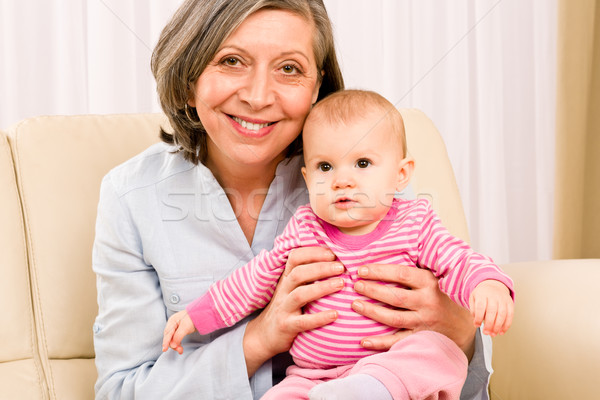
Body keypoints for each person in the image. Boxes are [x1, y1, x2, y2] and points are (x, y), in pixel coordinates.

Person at [92, 1, 498, 399]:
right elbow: (122, 392)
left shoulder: (363, 170)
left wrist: (460, 330)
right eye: (232, 61)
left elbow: (458, 369)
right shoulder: (130, 198)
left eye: (289, 68)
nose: (258, 96)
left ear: (316, 87)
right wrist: (258, 339)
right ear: (188, 75)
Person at [162, 89, 515, 400]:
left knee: (434, 352)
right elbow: (253, 280)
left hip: (391, 364)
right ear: (307, 177)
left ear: (401, 174)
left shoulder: (415, 223)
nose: (342, 181)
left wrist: (488, 286)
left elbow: (459, 261)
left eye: (362, 163)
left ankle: (367, 391)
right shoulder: (304, 228)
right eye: (325, 166)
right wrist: (196, 316)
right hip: (314, 375)